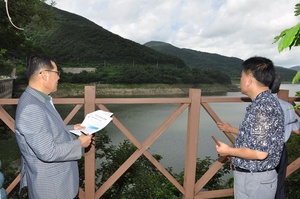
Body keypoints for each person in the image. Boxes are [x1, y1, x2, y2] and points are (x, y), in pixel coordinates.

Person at [15, 55, 93, 199]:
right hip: (53, 188)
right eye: (57, 73)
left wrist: (71, 128)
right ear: (44, 75)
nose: (58, 78)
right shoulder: (32, 107)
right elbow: (48, 152)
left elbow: (44, 131)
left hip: (59, 183)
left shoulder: (37, 99)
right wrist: (79, 143)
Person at [215, 56, 285, 199]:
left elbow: (260, 153)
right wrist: (232, 130)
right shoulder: (265, 102)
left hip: (255, 181)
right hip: (253, 177)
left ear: (248, 80)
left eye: (241, 76)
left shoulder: (262, 107)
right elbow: (258, 137)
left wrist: (229, 150)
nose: (240, 80)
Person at [270, 74, 299, 199]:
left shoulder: (257, 106)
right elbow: (297, 131)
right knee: (279, 184)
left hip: (260, 151)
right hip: (281, 150)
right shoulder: (287, 106)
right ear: (279, 88)